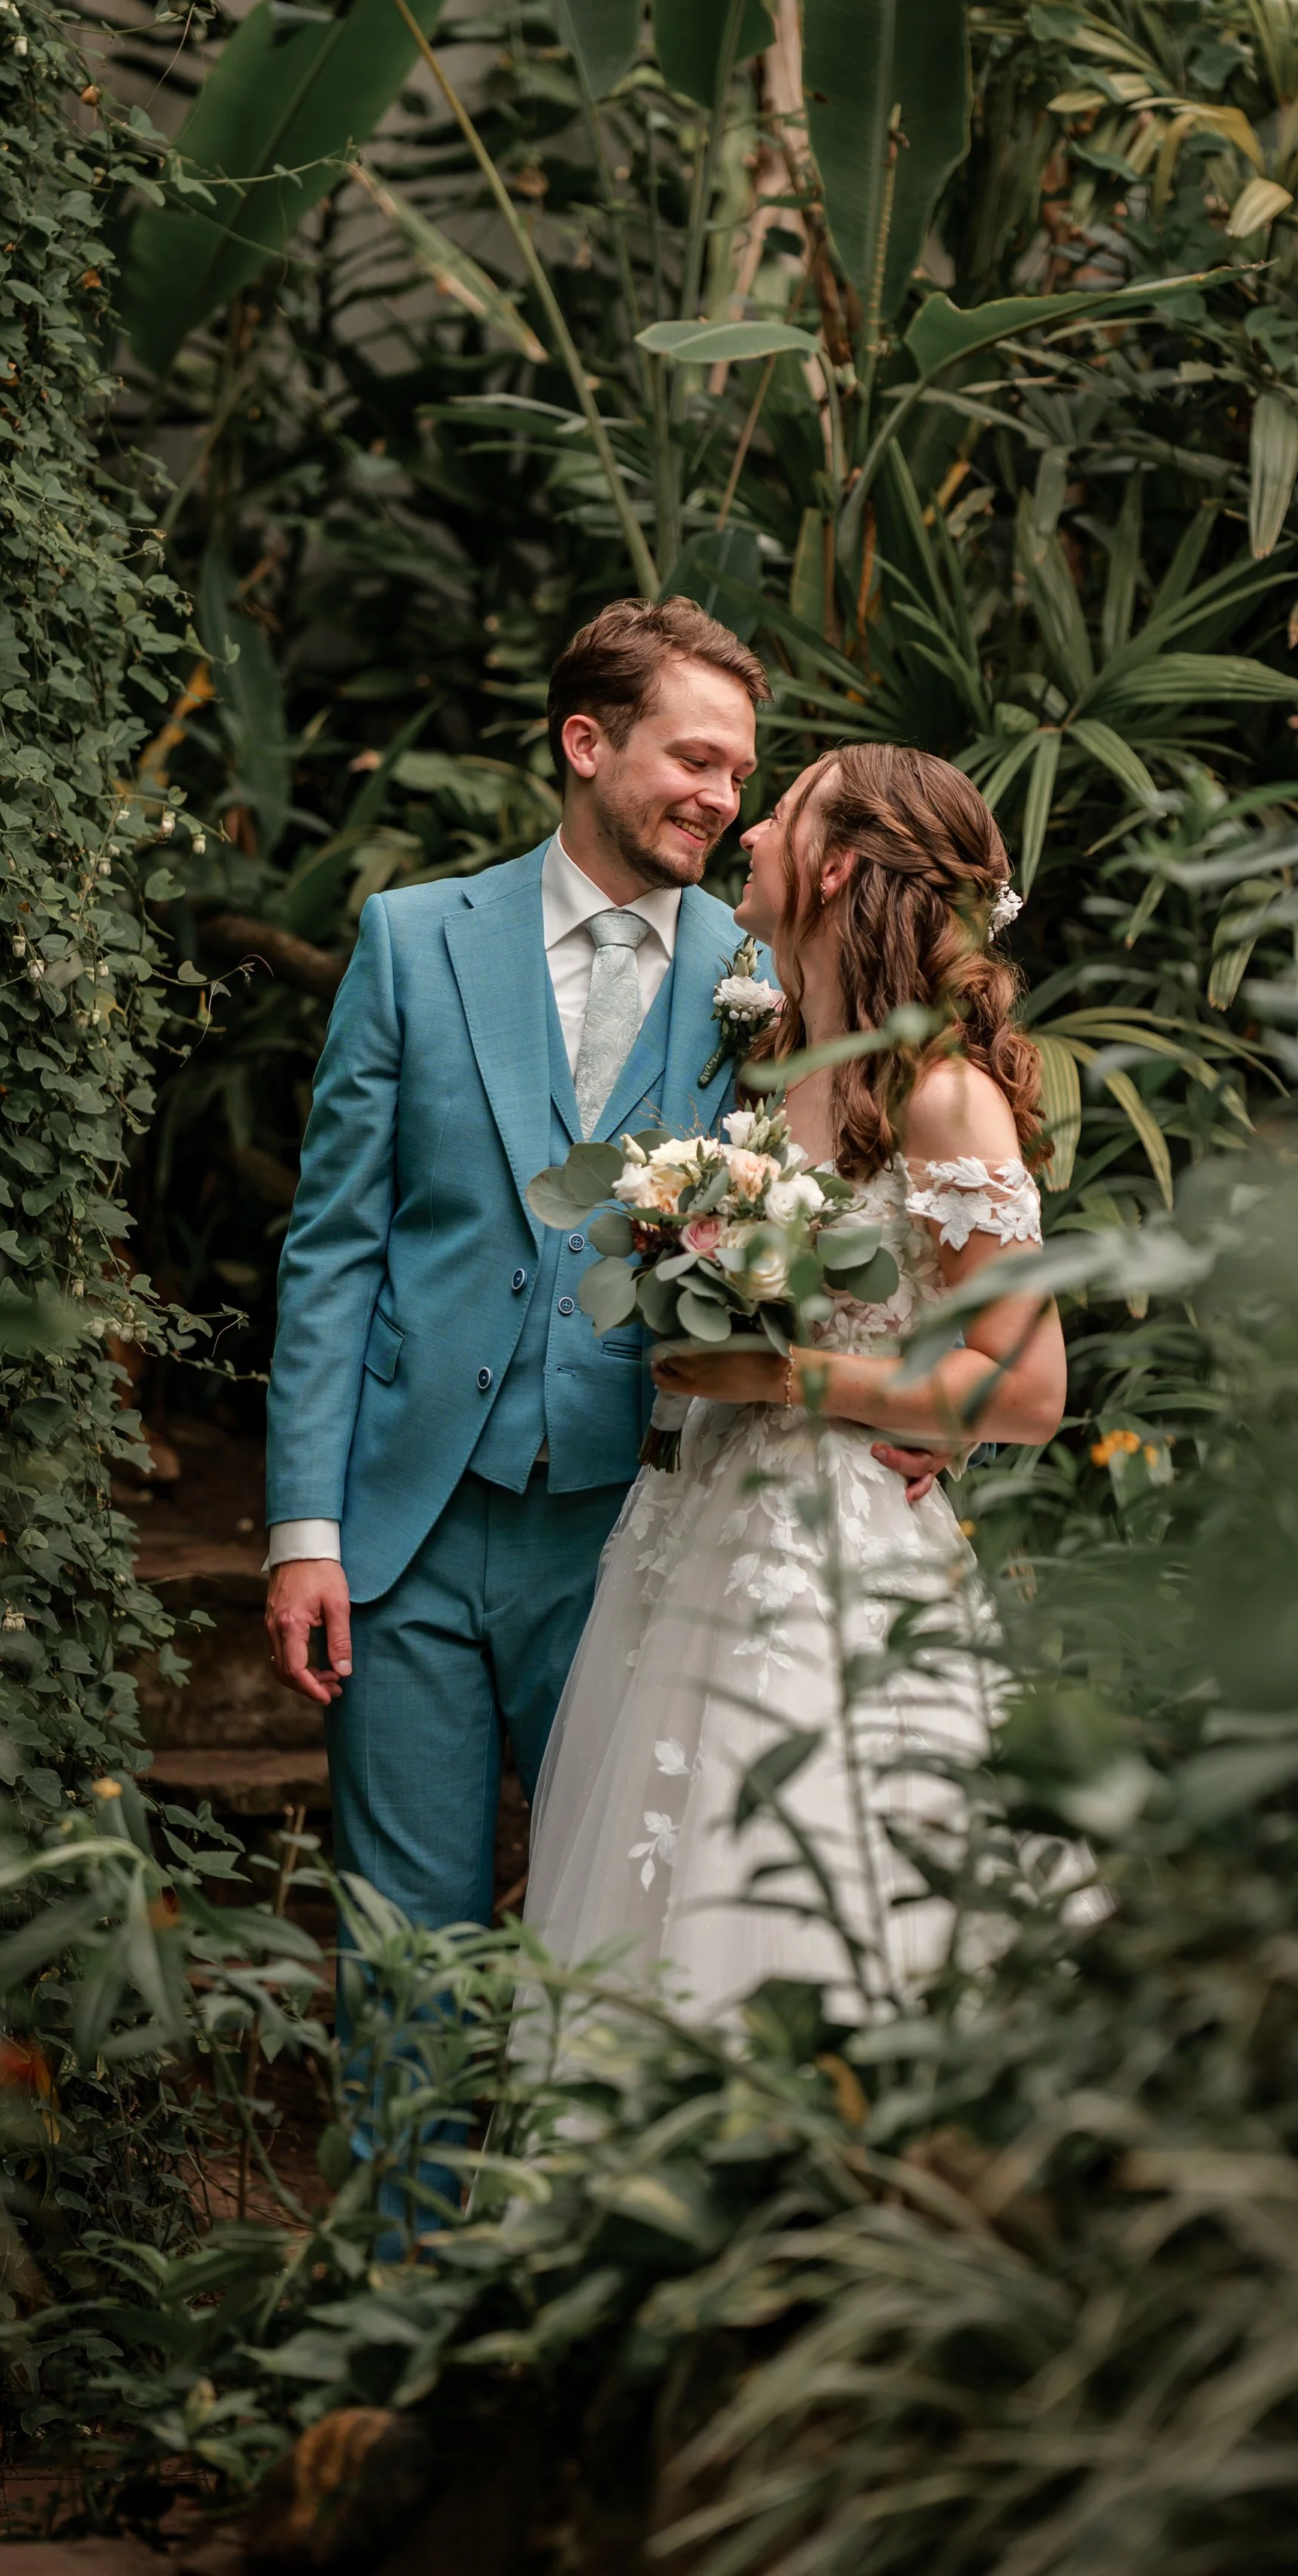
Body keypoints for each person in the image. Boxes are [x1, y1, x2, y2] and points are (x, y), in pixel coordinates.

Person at [263, 603, 947, 1936]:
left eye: (743, 773)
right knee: (406, 1949)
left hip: (643, 1532)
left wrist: (922, 1415)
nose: (722, 796)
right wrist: (306, 1529)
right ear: (586, 741)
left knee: (626, 1942)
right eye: (696, 760)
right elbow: (335, 1246)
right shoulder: (413, 941)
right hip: (406, 1529)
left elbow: (889, 1195)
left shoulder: (776, 973)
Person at [524, 741, 1068, 2021]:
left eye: (777, 814)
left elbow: (1030, 1387)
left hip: (837, 1558)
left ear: (831, 868)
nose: (749, 835)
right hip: (694, 1527)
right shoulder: (774, 1057)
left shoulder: (944, 1097)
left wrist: (781, 1374)